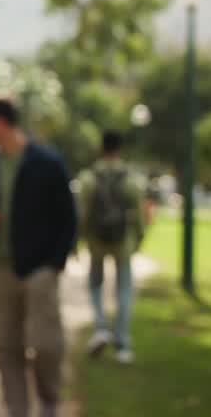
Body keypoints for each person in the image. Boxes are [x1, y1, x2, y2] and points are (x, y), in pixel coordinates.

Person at [0, 92, 77, 417]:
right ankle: (17, 410)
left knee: (45, 343)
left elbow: (68, 218)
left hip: (39, 268)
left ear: (1, 122)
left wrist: (54, 265)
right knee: (6, 345)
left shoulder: (48, 163)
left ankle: (49, 401)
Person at [78, 130, 146, 364]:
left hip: (96, 241)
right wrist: (139, 239)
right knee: (124, 289)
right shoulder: (130, 177)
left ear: (101, 148)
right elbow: (138, 215)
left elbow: (83, 213)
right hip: (122, 241)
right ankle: (122, 343)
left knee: (95, 285)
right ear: (120, 149)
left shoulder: (89, 177)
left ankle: (100, 328)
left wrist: (80, 239)